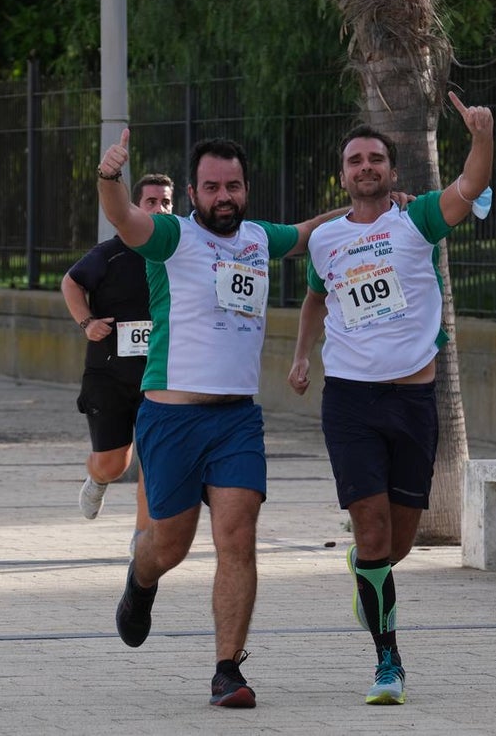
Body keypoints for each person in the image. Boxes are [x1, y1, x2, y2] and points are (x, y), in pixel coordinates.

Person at [95, 129, 348, 709]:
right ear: (193, 191)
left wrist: (372, 207)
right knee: (170, 546)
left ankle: (227, 670)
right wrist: (109, 179)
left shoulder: (259, 238)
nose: (223, 196)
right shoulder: (170, 235)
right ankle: (140, 579)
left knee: (238, 539)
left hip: (237, 421)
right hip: (171, 418)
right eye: (212, 187)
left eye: (233, 185)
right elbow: (124, 220)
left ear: (245, 188)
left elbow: (310, 233)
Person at [287, 91, 494, 705]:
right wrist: (302, 353)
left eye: (375, 159)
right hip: (349, 401)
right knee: (374, 535)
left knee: (396, 545)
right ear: (343, 174)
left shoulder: (417, 218)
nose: (366, 168)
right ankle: (388, 663)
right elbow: (317, 297)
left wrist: (481, 136)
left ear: (392, 171)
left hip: (414, 402)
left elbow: (468, 186)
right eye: (355, 161)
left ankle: (367, 570)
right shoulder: (325, 240)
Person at [62, 173, 174, 553]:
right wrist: (87, 323)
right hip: (109, 375)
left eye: (167, 202)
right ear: (135, 207)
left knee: (154, 462)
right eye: (152, 202)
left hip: (159, 376)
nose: (160, 209)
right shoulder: (110, 253)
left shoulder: (177, 252)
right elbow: (71, 283)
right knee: (113, 463)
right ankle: (96, 480)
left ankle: (142, 539)